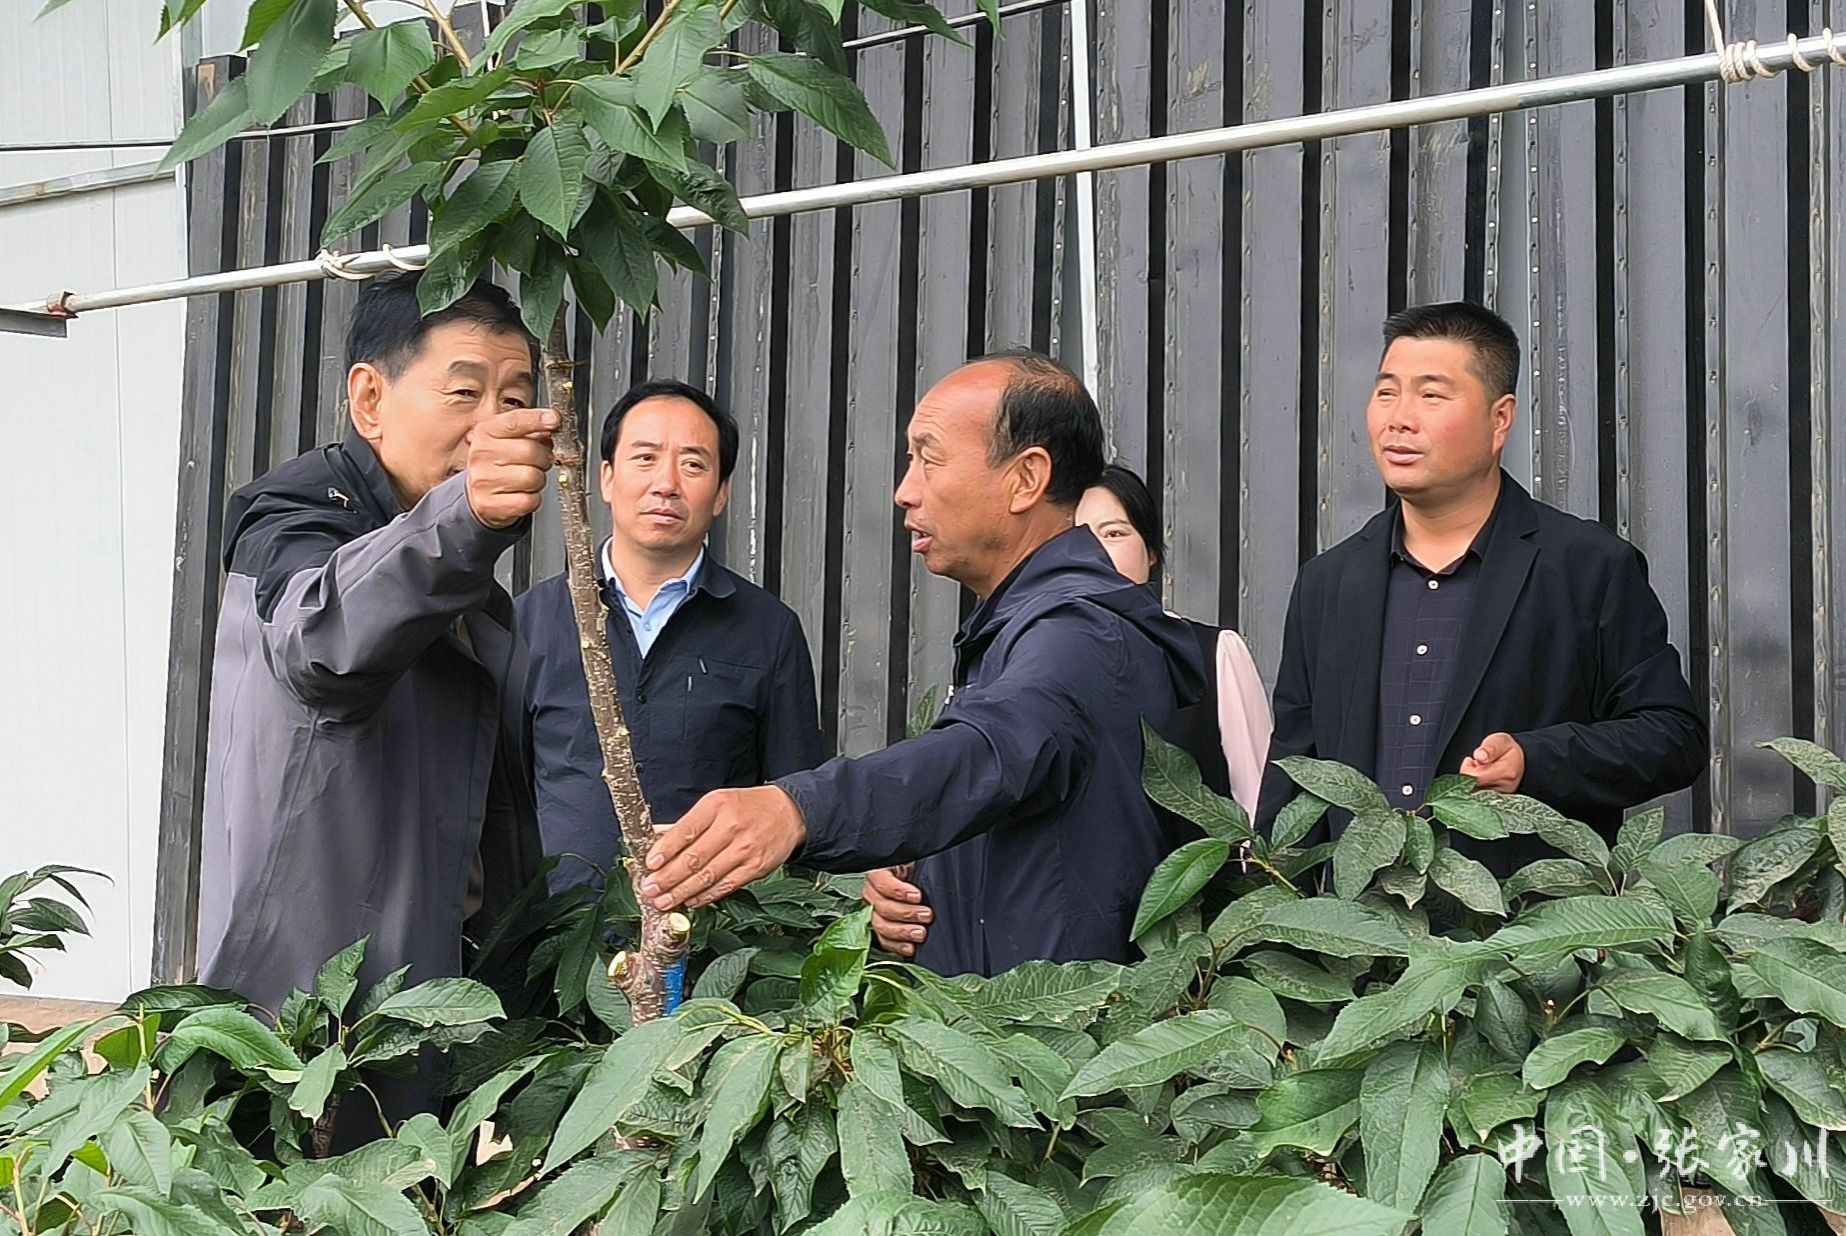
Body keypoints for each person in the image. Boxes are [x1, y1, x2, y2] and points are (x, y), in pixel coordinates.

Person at [639, 351, 1206, 975]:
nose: (905, 492)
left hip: (1050, 1029)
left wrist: (796, 809)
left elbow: (985, 753)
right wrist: (917, 873)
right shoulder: (1023, 623)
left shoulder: (1078, 634)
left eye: (929, 460)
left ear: (1026, 478)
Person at [196, 272, 552, 1020]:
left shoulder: (470, 585)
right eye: (464, 393)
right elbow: (323, 641)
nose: (492, 426)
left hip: (441, 1000)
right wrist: (464, 520)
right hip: (308, 1023)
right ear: (369, 400)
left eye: (514, 400)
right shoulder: (293, 519)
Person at [1255, 301, 1707, 874]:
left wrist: (1534, 760)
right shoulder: (1329, 582)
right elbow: (1296, 772)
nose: (1399, 419)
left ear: (1500, 419)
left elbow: (1672, 737)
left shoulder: (1585, 567)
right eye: (1387, 392)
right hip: (1361, 921)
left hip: (1522, 919)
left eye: (1431, 395)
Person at [517, 381, 825, 891]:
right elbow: (498, 798)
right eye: (645, 458)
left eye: (693, 464)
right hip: (553, 926)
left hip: (710, 924)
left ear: (721, 493)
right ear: (607, 479)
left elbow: (795, 799)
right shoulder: (530, 621)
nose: (666, 483)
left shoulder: (769, 630)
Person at [1077, 463, 1271, 815]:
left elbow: (1259, 804)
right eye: (1076, 537)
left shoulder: (1213, 653)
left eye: (1114, 533)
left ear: (1150, 551)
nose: (1095, 553)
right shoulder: (1026, 657)